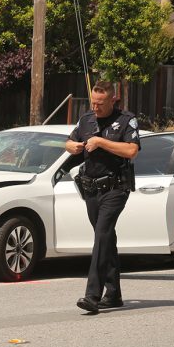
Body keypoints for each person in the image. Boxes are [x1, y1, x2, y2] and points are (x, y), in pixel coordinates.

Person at [65, 81, 140, 314]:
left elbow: (131, 150)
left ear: (112, 99)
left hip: (115, 188)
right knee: (106, 239)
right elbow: (68, 142)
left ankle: (92, 296)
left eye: (100, 103)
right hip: (91, 188)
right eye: (93, 102)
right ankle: (114, 293)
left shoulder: (126, 120)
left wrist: (100, 142)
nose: (95, 108)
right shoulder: (86, 119)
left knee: (101, 235)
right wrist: (73, 147)